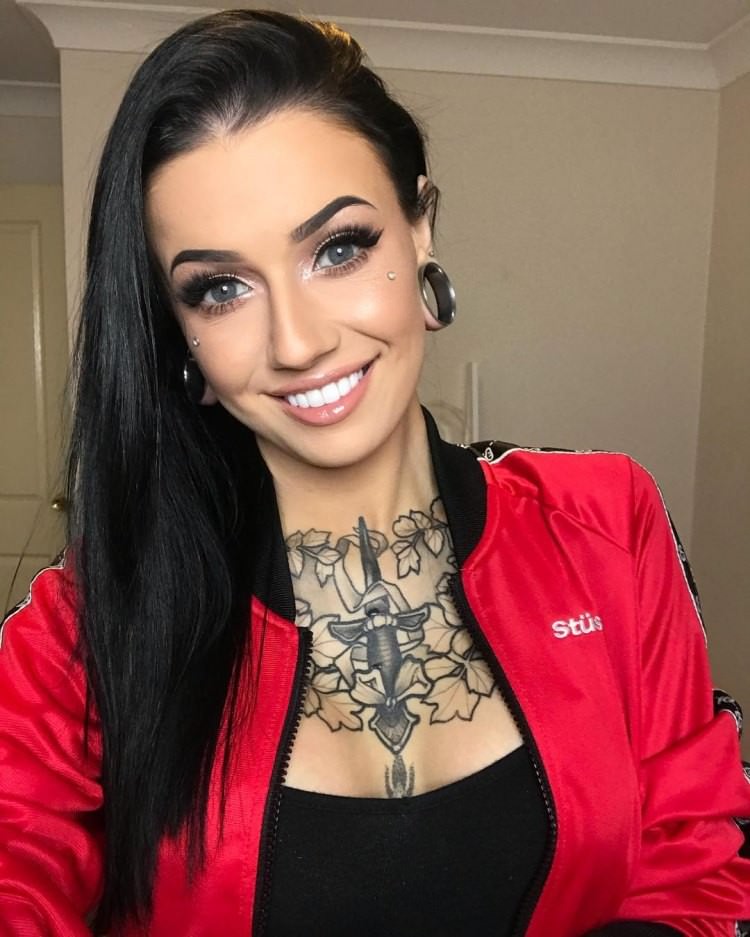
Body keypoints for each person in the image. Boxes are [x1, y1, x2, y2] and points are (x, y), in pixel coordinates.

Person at [1, 9, 749, 937]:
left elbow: (693, 863)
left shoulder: (609, 524)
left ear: (420, 226)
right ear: (178, 330)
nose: (298, 341)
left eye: (338, 247)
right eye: (220, 288)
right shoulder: (84, 625)